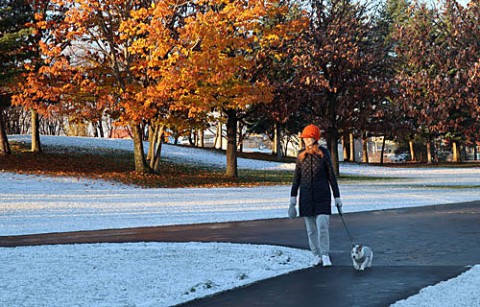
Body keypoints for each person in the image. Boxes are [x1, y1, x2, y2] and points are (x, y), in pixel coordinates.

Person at [289, 124, 343, 267]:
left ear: (315, 138)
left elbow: (331, 176)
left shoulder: (324, 153)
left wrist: (337, 196)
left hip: (322, 197)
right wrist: (292, 199)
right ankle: (316, 255)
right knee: (311, 230)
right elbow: (296, 178)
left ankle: (325, 255)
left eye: (309, 138)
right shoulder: (301, 155)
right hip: (306, 198)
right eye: (304, 138)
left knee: (322, 227)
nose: (306, 140)